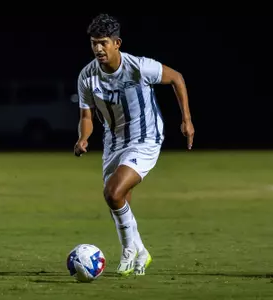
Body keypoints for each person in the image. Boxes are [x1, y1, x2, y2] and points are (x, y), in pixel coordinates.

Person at [74, 14, 194, 276]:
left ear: (117, 43)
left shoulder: (139, 66)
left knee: (112, 192)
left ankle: (128, 249)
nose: (97, 49)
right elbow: (86, 117)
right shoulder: (87, 76)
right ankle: (141, 251)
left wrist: (186, 120)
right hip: (113, 142)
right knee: (119, 200)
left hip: (145, 138)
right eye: (94, 43)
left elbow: (177, 78)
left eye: (103, 43)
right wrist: (83, 138)